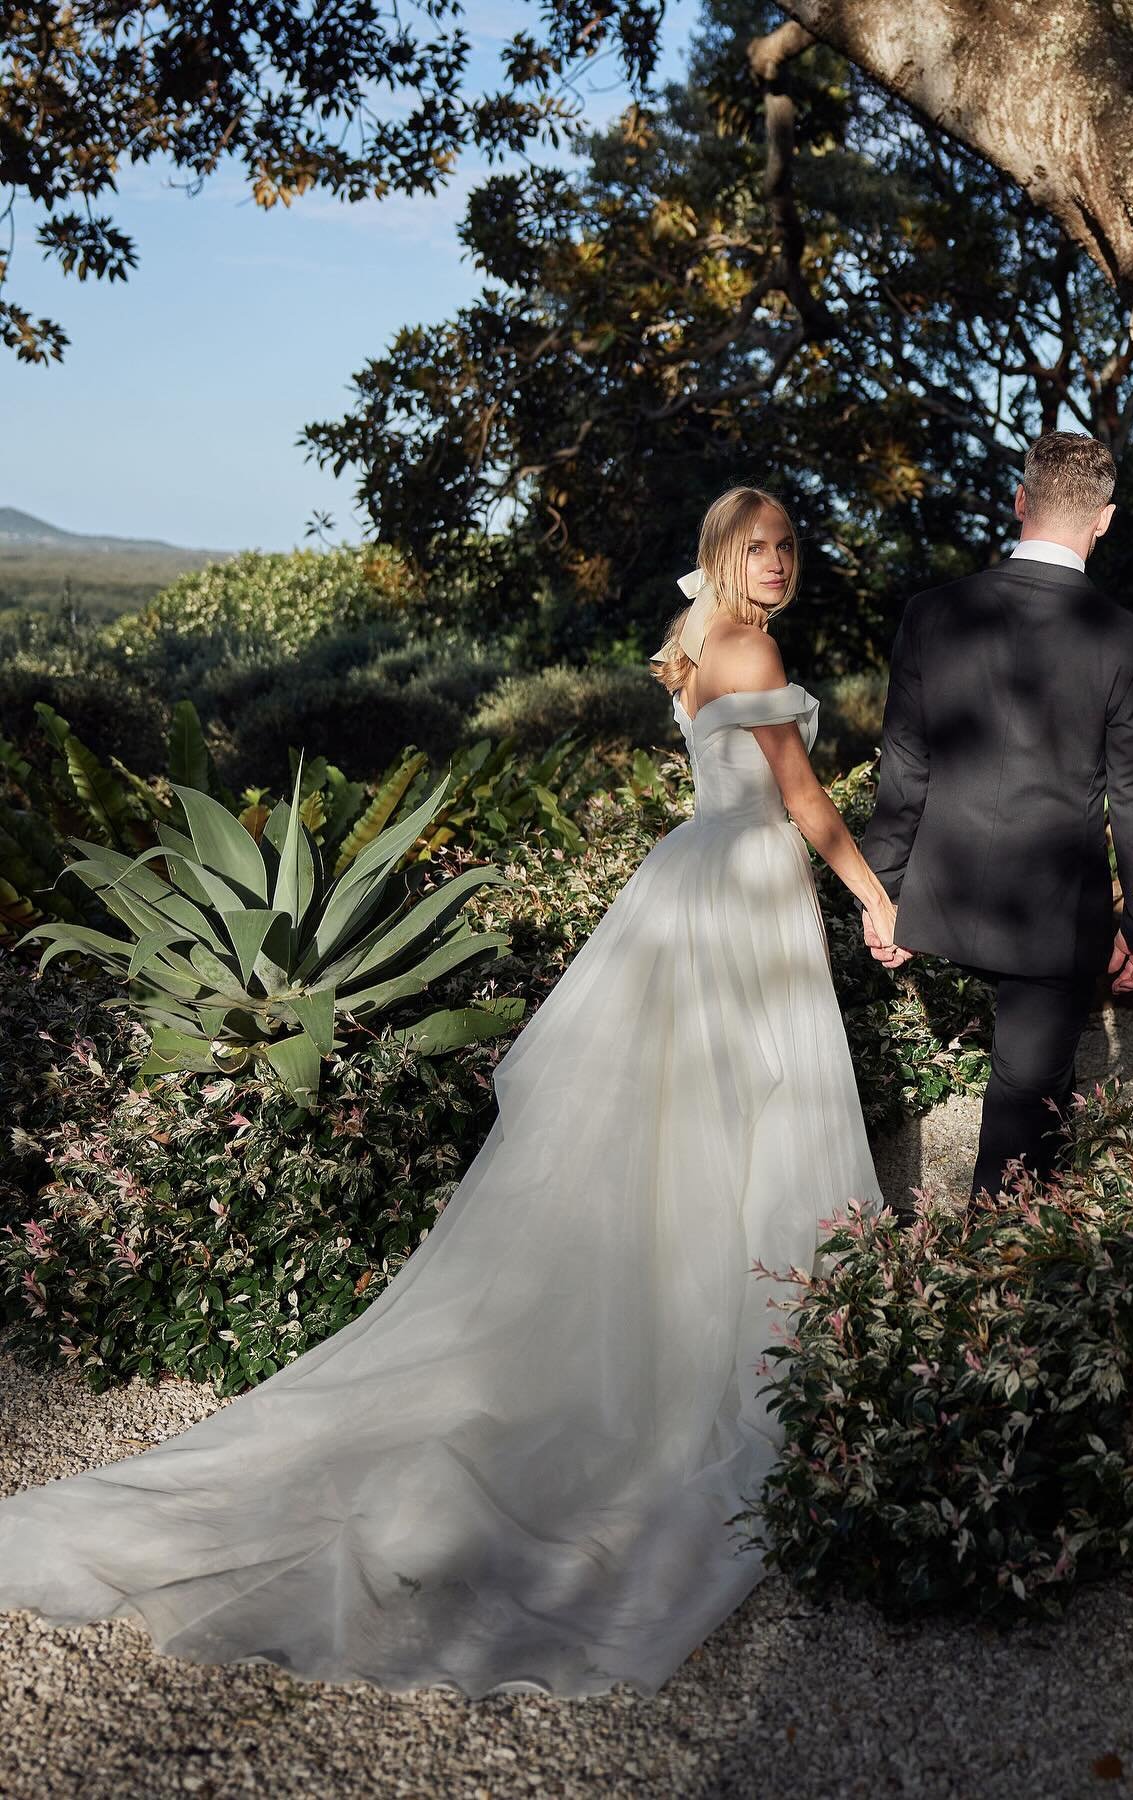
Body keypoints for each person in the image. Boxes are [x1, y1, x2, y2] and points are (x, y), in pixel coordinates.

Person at [0, 485, 894, 1700]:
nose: (780, 563)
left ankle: (689, 1312)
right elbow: (801, 800)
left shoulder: (688, 644)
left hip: (686, 883)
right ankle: (735, 1344)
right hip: (741, 891)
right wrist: (874, 897)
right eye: (759, 547)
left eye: (789, 544)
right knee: (751, 1109)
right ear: (722, 555)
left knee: (685, 1119)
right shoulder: (749, 642)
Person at [861, 430, 1133, 1197]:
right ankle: (1003, 1273)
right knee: (1025, 1108)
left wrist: (881, 893)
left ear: (1019, 501)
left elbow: (903, 767)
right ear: (1104, 520)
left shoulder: (931, 613)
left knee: (1037, 1097)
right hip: (1050, 917)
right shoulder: (1130, 641)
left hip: (941, 895)